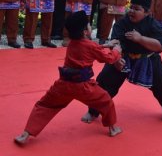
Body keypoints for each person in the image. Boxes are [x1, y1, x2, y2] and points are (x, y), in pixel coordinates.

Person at [14, 11, 122, 145]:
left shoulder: (72, 43)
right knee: (106, 101)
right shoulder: (90, 46)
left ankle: (25, 134)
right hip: (83, 87)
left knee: (44, 105)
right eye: (88, 25)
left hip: (63, 85)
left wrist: (105, 45)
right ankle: (113, 128)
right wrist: (117, 50)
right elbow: (109, 58)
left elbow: (88, 48)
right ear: (85, 31)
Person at [81, 0, 162, 123]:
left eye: (136, 9)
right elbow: (115, 42)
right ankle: (93, 111)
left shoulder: (153, 25)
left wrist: (140, 39)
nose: (131, 11)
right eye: (130, 7)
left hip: (148, 59)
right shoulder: (122, 23)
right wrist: (116, 60)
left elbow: (159, 46)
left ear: (147, 12)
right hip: (123, 57)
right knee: (104, 82)